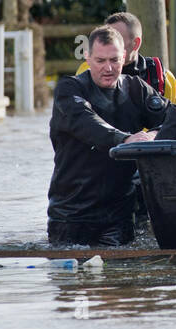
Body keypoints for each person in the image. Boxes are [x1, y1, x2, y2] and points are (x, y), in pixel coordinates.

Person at [47, 26, 167, 246]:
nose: (108, 68)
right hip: (72, 214)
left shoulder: (136, 88)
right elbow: (87, 123)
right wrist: (125, 140)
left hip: (118, 215)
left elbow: (173, 119)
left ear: (124, 58)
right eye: (100, 61)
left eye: (114, 60)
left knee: (120, 278)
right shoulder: (69, 90)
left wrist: (153, 135)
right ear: (88, 58)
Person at [75, 11, 176, 104]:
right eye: (105, 37)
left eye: (117, 39)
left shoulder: (163, 78)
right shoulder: (87, 71)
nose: (108, 44)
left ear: (136, 44)